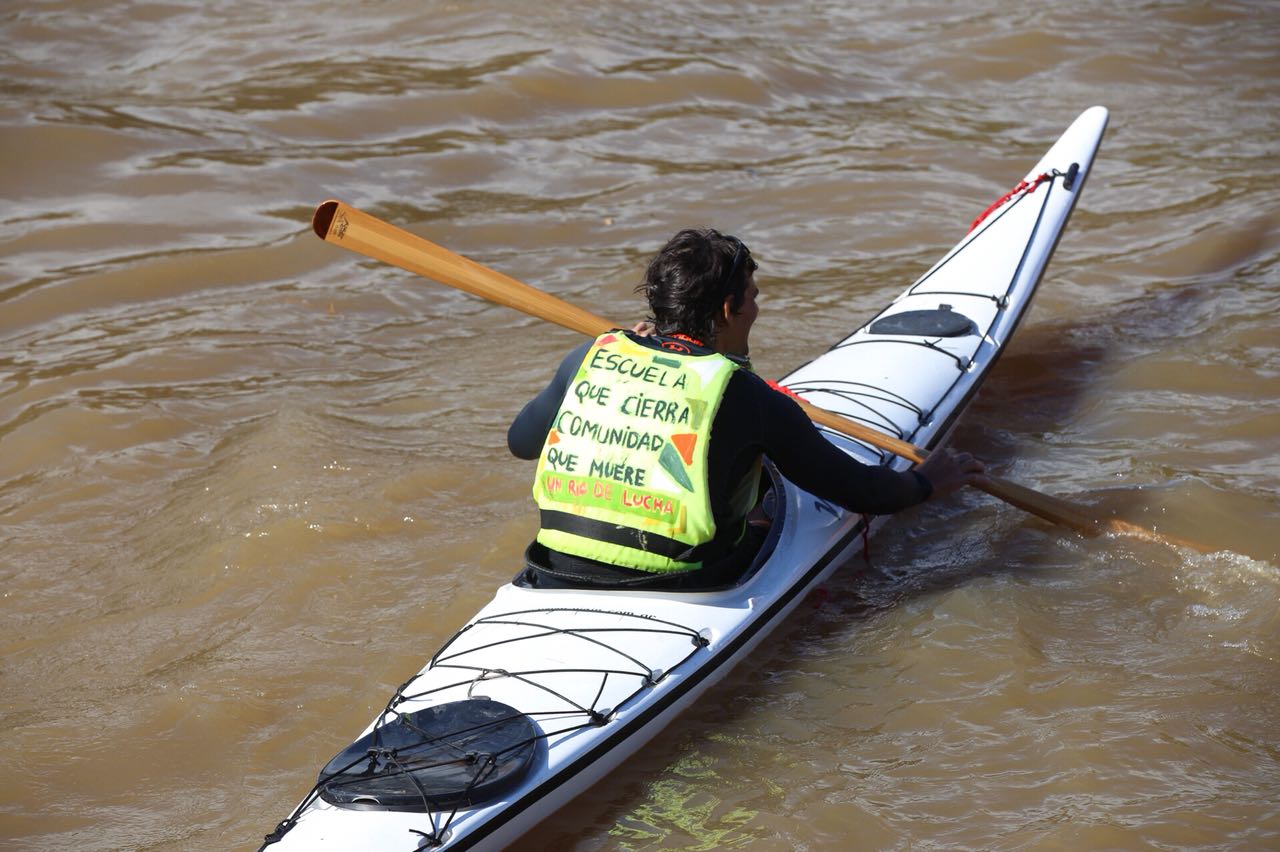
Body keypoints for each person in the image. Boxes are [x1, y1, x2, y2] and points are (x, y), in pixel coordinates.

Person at [507, 228, 986, 590]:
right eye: (753, 297)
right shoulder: (745, 394)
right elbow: (860, 492)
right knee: (769, 501)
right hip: (686, 580)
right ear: (727, 309)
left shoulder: (591, 356)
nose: (757, 308)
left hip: (555, 563)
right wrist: (925, 483)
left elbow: (521, 443)